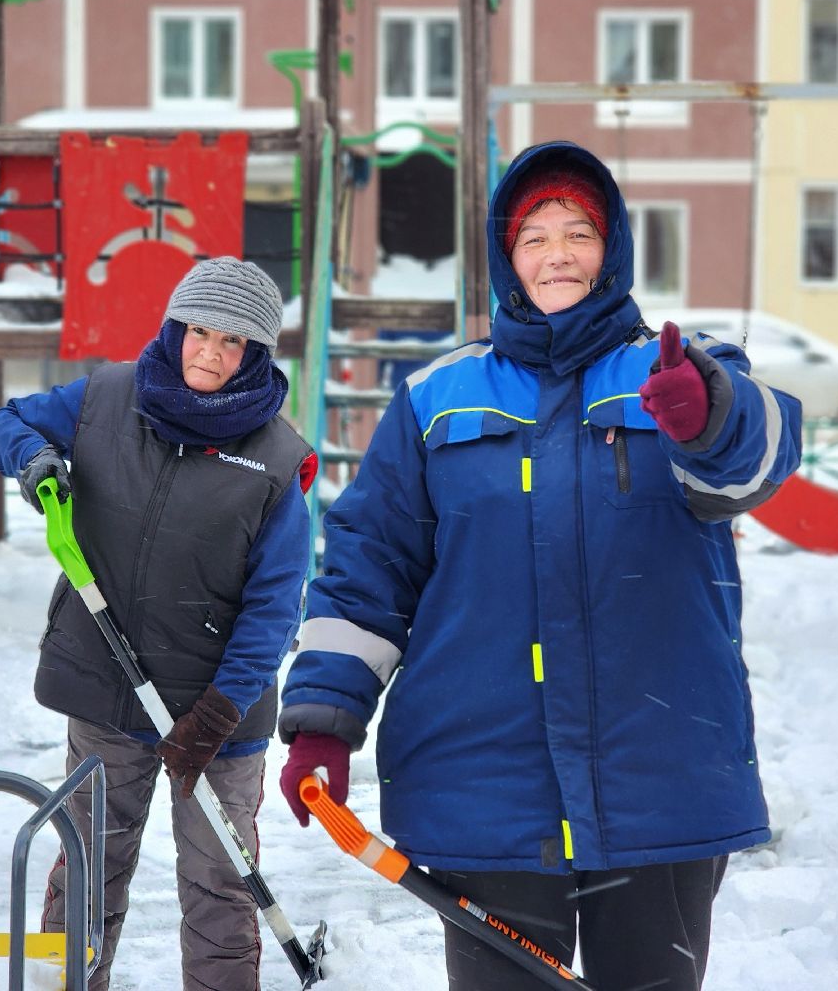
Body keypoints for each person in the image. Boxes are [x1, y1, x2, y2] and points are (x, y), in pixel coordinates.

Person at [275, 141, 802, 991]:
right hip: (485, 784)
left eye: (579, 232)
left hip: (656, 775)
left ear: (613, 247)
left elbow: (758, 461)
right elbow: (369, 568)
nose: (558, 251)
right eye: (535, 236)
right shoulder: (436, 397)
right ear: (505, 258)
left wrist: (709, 414)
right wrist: (323, 719)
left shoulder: (678, 368)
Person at [0, 257, 316, 991]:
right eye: (200, 331)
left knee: (219, 886)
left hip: (219, 717)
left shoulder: (278, 460)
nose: (210, 353)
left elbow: (276, 605)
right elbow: (9, 423)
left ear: (255, 354)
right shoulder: (107, 398)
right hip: (107, 693)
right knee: (89, 869)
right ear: (175, 328)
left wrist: (219, 711)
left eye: (233, 343)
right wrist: (36, 458)